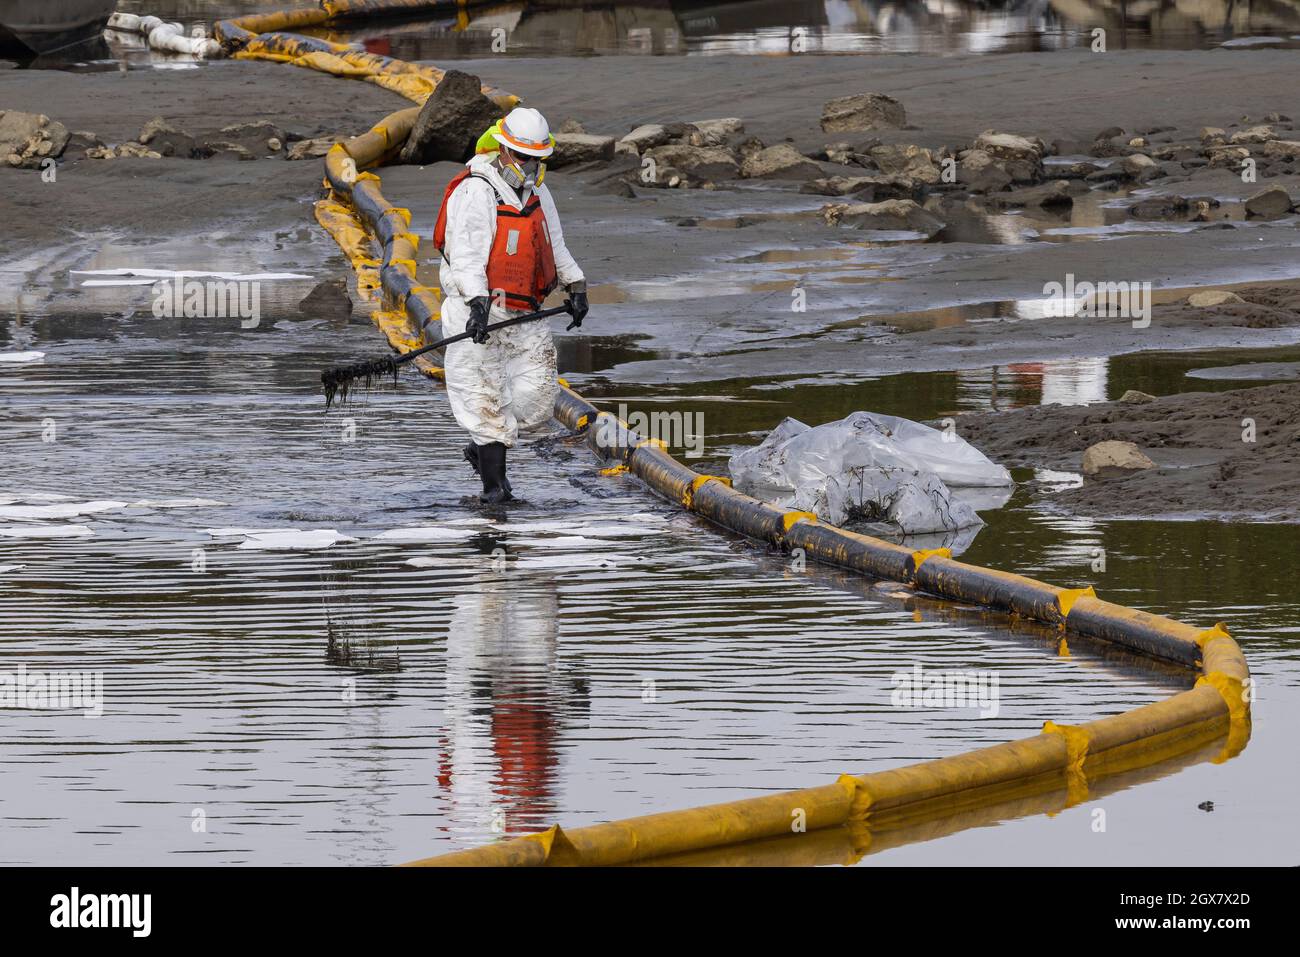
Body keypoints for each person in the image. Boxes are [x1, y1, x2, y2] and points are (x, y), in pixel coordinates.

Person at [432, 106, 589, 504]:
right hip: (478, 312)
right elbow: (466, 255)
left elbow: (555, 243)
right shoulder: (476, 190)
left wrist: (576, 286)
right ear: (503, 150)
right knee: (484, 400)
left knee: (537, 402)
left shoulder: (537, 191)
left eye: (538, 159)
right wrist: (477, 304)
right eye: (524, 157)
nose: (531, 166)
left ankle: (485, 451)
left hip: (525, 311)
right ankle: (495, 489)